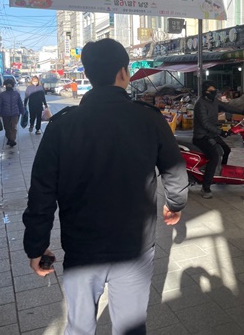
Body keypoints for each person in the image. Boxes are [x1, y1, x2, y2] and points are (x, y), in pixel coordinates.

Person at [22, 38, 189, 335]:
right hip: (134, 246)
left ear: (88, 74)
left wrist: (36, 245)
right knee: (130, 328)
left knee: (79, 326)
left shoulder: (62, 125)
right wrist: (175, 204)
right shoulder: (149, 119)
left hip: (82, 249)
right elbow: (175, 171)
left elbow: (41, 192)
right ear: (124, 73)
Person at [192, 80, 244, 199]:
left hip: (212, 134)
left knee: (227, 150)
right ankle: (205, 187)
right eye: (211, 91)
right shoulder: (200, 104)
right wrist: (221, 132)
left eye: (214, 90)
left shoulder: (214, 101)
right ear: (204, 91)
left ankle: (220, 175)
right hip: (201, 136)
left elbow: (227, 107)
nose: (213, 93)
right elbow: (205, 123)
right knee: (214, 157)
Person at [0, 78, 24, 147]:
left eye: (10, 85)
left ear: (12, 85)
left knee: (13, 127)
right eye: (7, 85)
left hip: (15, 114)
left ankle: (12, 140)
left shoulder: (16, 94)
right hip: (5, 114)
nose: (9, 86)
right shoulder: (2, 95)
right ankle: (9, 138)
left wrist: (22, 112)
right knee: (7, 128)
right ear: (5, 85)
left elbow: (20, 103)